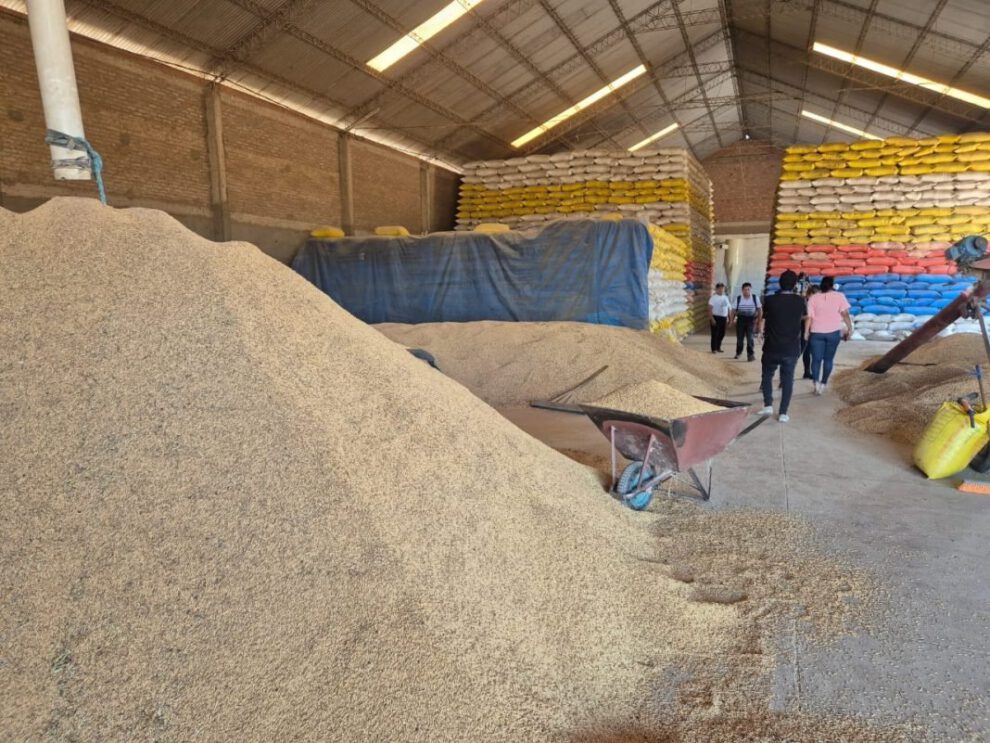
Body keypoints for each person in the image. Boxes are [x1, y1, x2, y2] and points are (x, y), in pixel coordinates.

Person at [757, 269, 806, 422]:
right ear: (794, 285)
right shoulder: (800, 301)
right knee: (788, 379)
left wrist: (760, 332)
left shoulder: (770, 300)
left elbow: (764, 318)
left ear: (780, 283)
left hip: (772, 345)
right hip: (791, 348)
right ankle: (783, 413)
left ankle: (768, 405)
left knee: (767, 375)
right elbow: (804, 318)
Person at [806, 275, 853, 395]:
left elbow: (809, 317)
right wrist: (850, 328)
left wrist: (806, 332)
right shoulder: (839, 296)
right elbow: (845, 314)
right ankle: (823, 384)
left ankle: (816, 384)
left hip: (816, 333)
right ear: (832, 285)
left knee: (816, 360)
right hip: (833, 333)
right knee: (828, 360)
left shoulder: (814, 298)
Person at [732, 282, 762, 361]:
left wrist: (759, 321)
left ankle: (750, 354)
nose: (747, 291)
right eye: (745, 290)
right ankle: (738, 353)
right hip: (741, 320)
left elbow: (759, 310)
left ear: (751, 290)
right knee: (740, 338)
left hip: (751, 320)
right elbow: (733, 310)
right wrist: (731, 320)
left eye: (748, 289)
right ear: (742, 290)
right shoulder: (738, 298)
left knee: (750, 338)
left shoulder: (755, 298)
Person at [801, 284, 820, 379]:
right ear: (810, 293)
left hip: (813, 330)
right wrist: (808, 316)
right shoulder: (802, 301)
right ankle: (786, 375)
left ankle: (808, 372)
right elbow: (797, 316)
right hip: (802, 330)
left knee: (811, 352)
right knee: (801, 352)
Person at [708, 283, 731, 354]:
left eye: (723, 289)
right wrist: (712, 318)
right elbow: (709, 309)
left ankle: (718, 347)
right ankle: (714, 348)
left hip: (723, 318)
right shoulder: (713, 298)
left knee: (722, 333)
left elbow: (729, 308)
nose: (722, 290)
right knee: (715, 334)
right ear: (717, 289)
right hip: (715, 317)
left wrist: (730, 319)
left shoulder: (725, 298)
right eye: (720, 288)